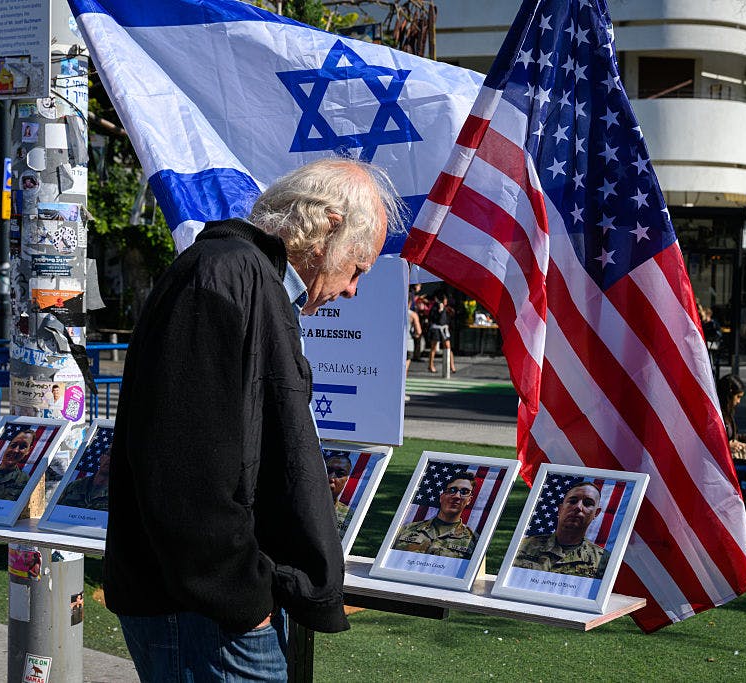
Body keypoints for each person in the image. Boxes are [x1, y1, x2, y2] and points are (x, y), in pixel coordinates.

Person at [103, 157, 403, 682]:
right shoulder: (222, 274)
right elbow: (186, 466)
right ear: (328, 227)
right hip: (206, 615)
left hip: (212, 607)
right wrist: (243, 599)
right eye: (358, 268)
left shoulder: (243, 276)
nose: (354, 289)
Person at [513, 479, 610, 578]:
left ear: (596, 513)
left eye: (588, 503)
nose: (578, 507)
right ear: (560, 509)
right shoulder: (522, 546)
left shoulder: (603, 560)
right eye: (572, 501)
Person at [392, 471, 479, 559]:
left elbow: (478, 572)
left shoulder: (474, 541)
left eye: (464, 492)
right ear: (442, 497)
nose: (457, 496)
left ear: (469, 500)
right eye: (452, 490)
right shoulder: (406, 530)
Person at [716, 374, 746, 461]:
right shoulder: (716, 416)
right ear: (728, 395)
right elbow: (711, 441)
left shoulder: (728, 413)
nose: (739, 401)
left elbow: (732, 437)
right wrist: (727, 446)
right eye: (738, 397)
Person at [427, 292, 457, 374]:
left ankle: (452, 365)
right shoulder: (435, 307)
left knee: (448, 347)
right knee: (433, 347)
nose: (446, 301)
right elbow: (432, 318)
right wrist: (439, 311)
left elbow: (447, 318)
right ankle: (430, 365)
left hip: (444, 329)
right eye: (445, 299)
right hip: (436, 328)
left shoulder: (446, 308)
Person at [325, 454, 353, 536]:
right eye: (328, 471)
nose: (331, 478)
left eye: (340, 474)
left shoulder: (349, 515)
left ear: (346, 480)